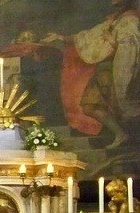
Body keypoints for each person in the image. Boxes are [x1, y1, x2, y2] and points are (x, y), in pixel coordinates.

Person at [42, 0, 140, 149]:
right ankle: (120, 134)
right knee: (89, 107)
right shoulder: (117, 18)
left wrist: (113, 44)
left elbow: (131, 52)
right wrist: (60, 38)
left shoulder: (130, 20)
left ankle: (128, 138)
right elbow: (88, 37)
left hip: (120, 74)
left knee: (127, 109)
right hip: (105, 73)